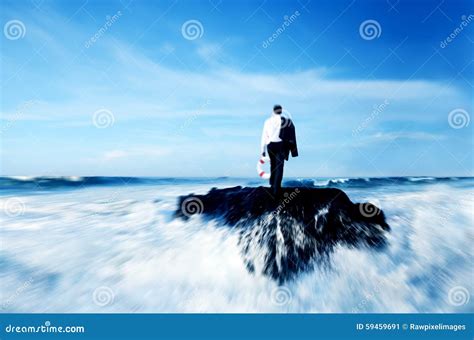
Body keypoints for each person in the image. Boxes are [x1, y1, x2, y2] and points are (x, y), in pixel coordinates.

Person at [260, 105, 298, 196]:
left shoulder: (267, 121)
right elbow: (291, 133)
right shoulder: (285, 121)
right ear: (281, 111)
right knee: (279, 167)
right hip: (280, 145)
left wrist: (262, 150)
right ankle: (276, 189)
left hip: (270, 145)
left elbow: (264, 136)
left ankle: (272, 185)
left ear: (273, 111)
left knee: (273, 165)